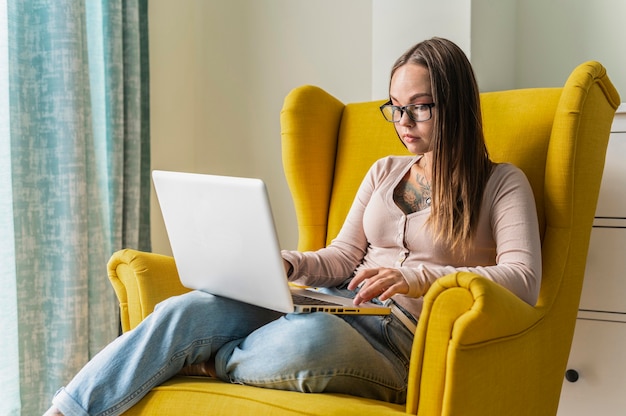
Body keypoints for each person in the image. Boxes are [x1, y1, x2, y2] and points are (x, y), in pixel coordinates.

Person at [44, 37, 541, 416]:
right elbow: (344, 257)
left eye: (420, 106)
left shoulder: (501, 183)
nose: (402, 121)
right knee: (190, 308)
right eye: (395, 106)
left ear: (455, 104)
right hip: (342, 306)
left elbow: (523, 279)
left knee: (306, 342)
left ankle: (209, 361)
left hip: (402, 341)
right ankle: (67, 411)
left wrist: (418, 279)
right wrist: (286, 262)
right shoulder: (384, 171)